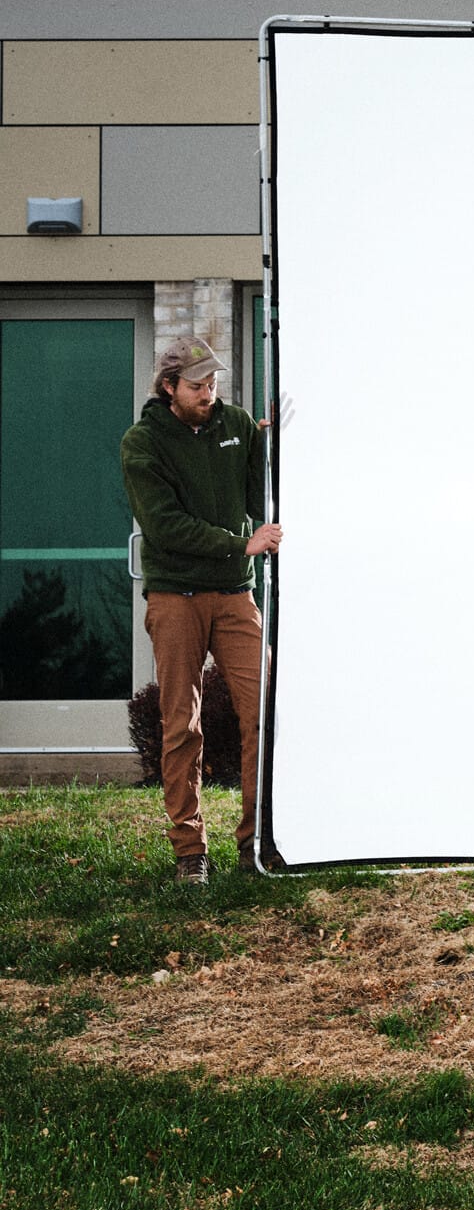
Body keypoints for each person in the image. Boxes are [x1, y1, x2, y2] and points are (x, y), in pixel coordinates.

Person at [120, 337, 282, 882]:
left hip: (236, 594)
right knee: (181, 723)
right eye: (197, 386)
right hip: (176, 596)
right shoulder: (142, 443)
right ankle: (190, 850)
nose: (209, 394)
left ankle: (257, 840)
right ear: (169, 388)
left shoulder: (234, 424)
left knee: (262, 710)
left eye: (213, 383)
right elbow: (165, 527)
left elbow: (264, 499)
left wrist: (276, 442)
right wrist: (241, 545)